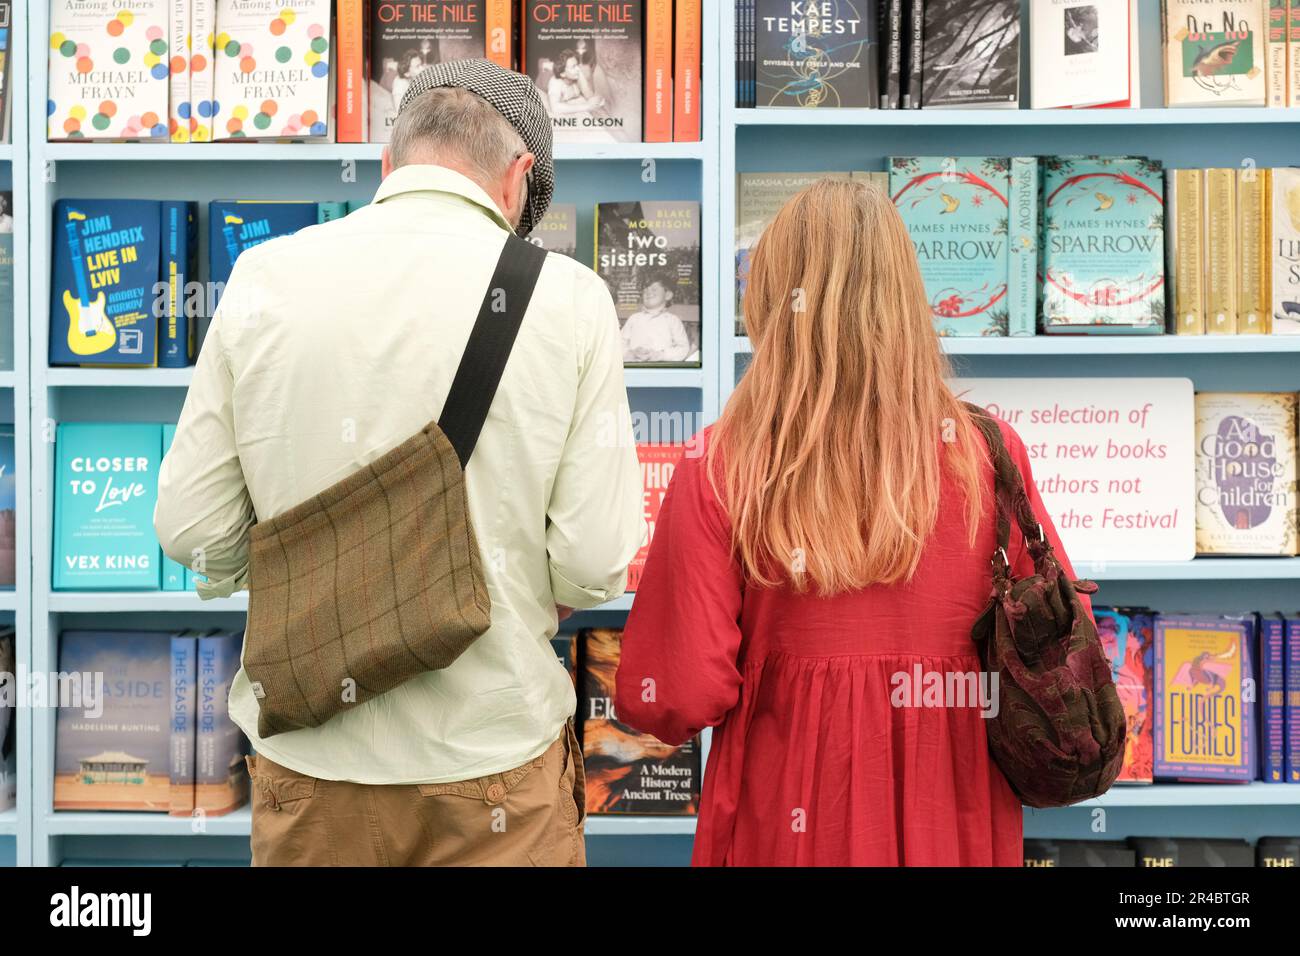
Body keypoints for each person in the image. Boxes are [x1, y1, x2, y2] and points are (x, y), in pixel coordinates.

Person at [155, 59, 643, 867]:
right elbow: (593, 564)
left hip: (311, 770)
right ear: (520, 177)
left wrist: (314, 565)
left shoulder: (262, 277)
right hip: (494, 774)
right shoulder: (571, 298)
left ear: (391, 163)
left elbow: (192, 532)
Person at [614, 179, 1089, 867]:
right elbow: (1053, 642)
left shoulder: (721, 461)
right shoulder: (989, 453)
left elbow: (677, 693)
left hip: (790, 811)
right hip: (953, 810)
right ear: (906, 299)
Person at [621, 277, 692, 363]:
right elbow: (619, 344)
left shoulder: (672, 320)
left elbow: (683, 348)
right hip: (635, 367)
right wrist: (631, 353)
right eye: (645, 291)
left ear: (667, 295)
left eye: (654, 289)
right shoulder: (634, 318)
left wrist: (661, 355)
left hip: (661, 368)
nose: (648, 293)